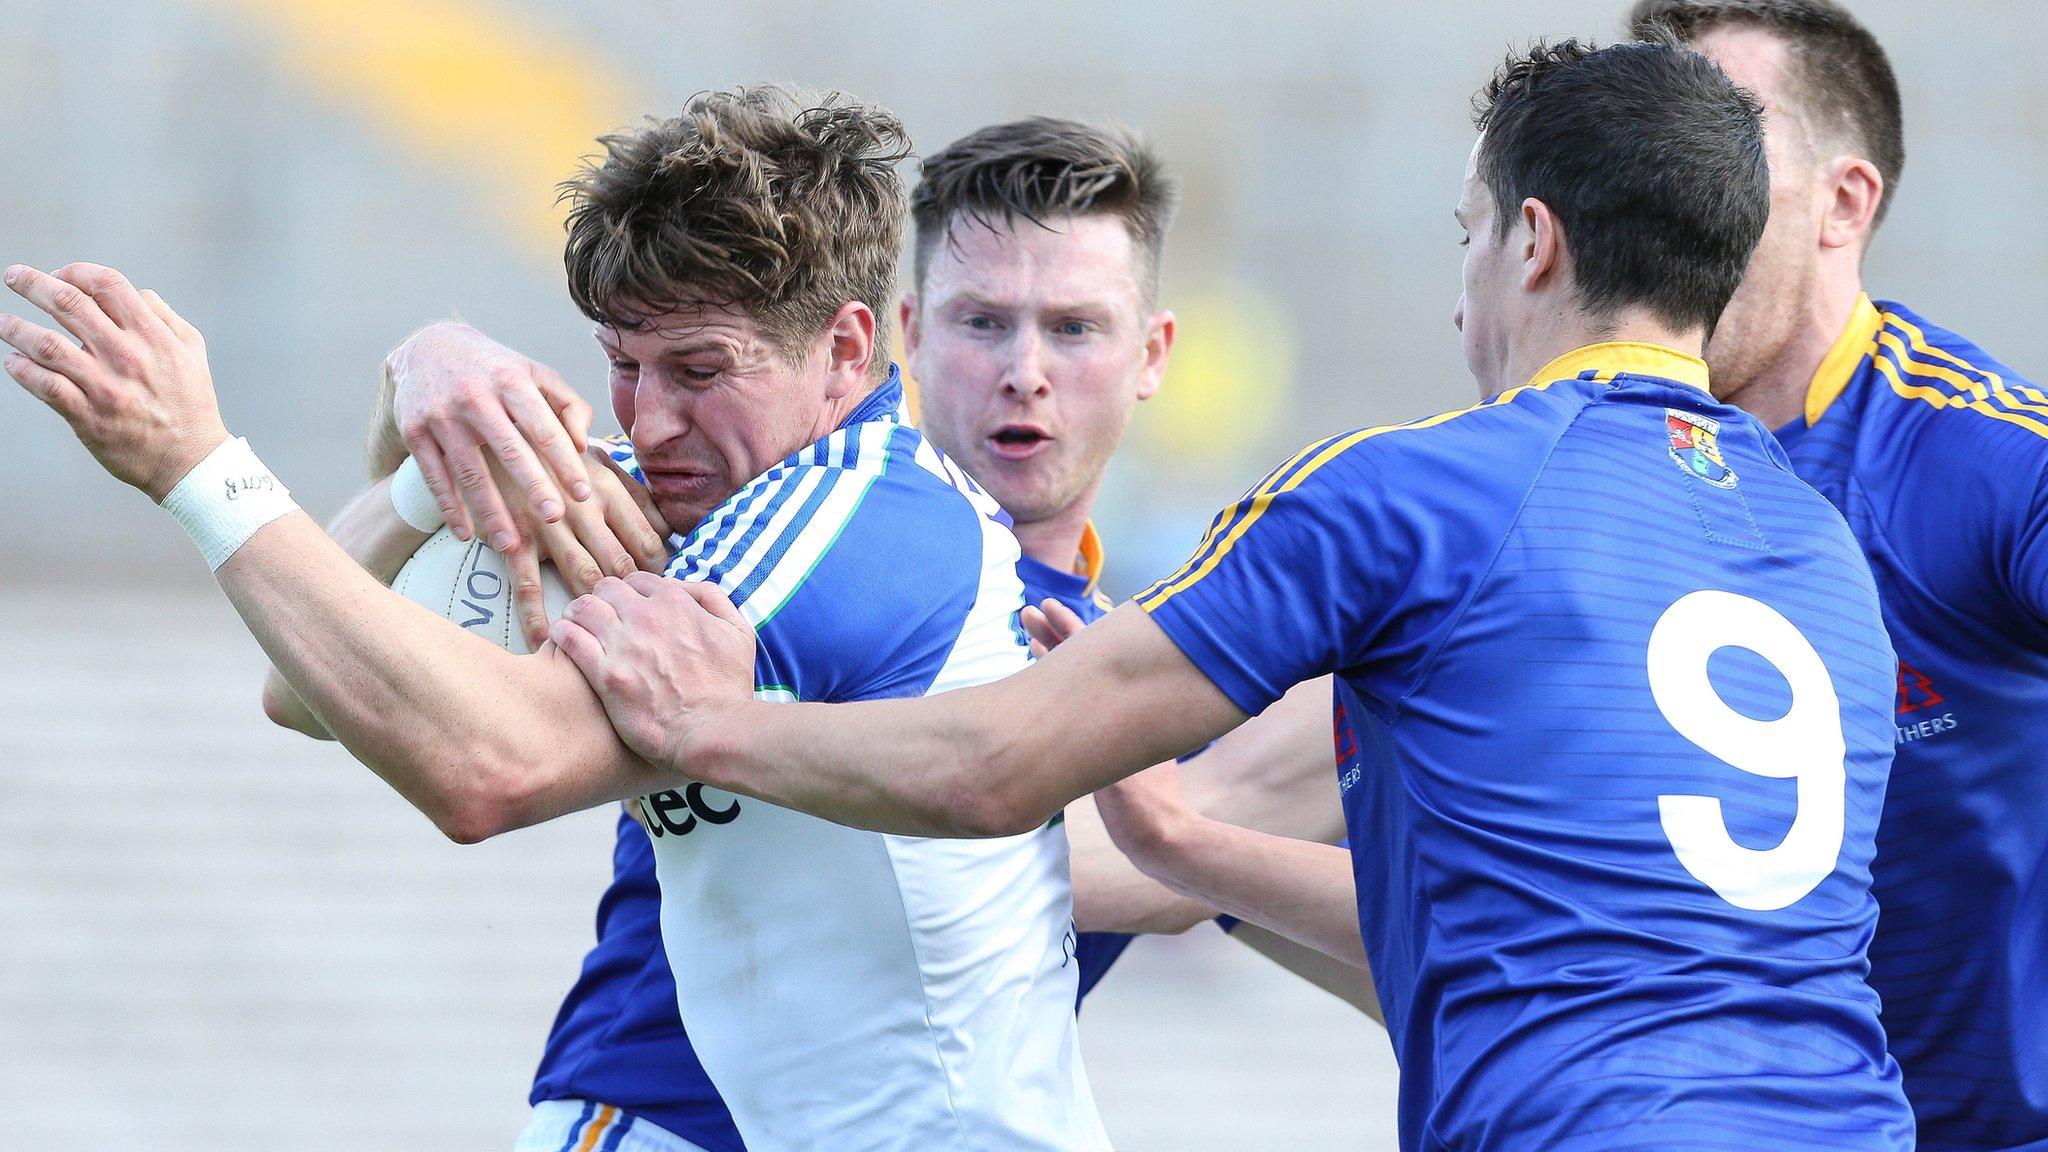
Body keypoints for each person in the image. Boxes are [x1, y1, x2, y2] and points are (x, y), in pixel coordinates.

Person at [525, 41, 1919, 1150]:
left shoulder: (1418, 493)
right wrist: (1192, 850)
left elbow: (998, 765)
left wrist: (711, 724)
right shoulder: (1827, 557)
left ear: (1533, 243)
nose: (1460, 299)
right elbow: (1522, 934)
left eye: (1467, 235)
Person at [1, 86, 1113, 1151]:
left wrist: (199, 467)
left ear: (841, 347)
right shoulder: (716, 494)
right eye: (622, 365)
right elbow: (302, 687)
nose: (654, 417)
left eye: (698, 368)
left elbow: (493, 769)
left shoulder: (859, 517)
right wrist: (428, 432)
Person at [382, 115, 1357, 1151]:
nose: (1024, 370)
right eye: (981, 322)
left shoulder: (1134, 677)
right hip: (660, 1118)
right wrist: (431, 361)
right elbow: (416, 613)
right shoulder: (756, 508)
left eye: (1073, 328)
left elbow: (1260, 896)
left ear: (1150, 354)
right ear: (900, 335)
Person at [1630, 4, 2048, 1147]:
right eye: (1645, 154)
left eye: (1716, 151)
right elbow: (1246, 792)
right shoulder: (1589, 477)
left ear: (1842, 203)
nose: (1670, 198)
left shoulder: (1981, 460)